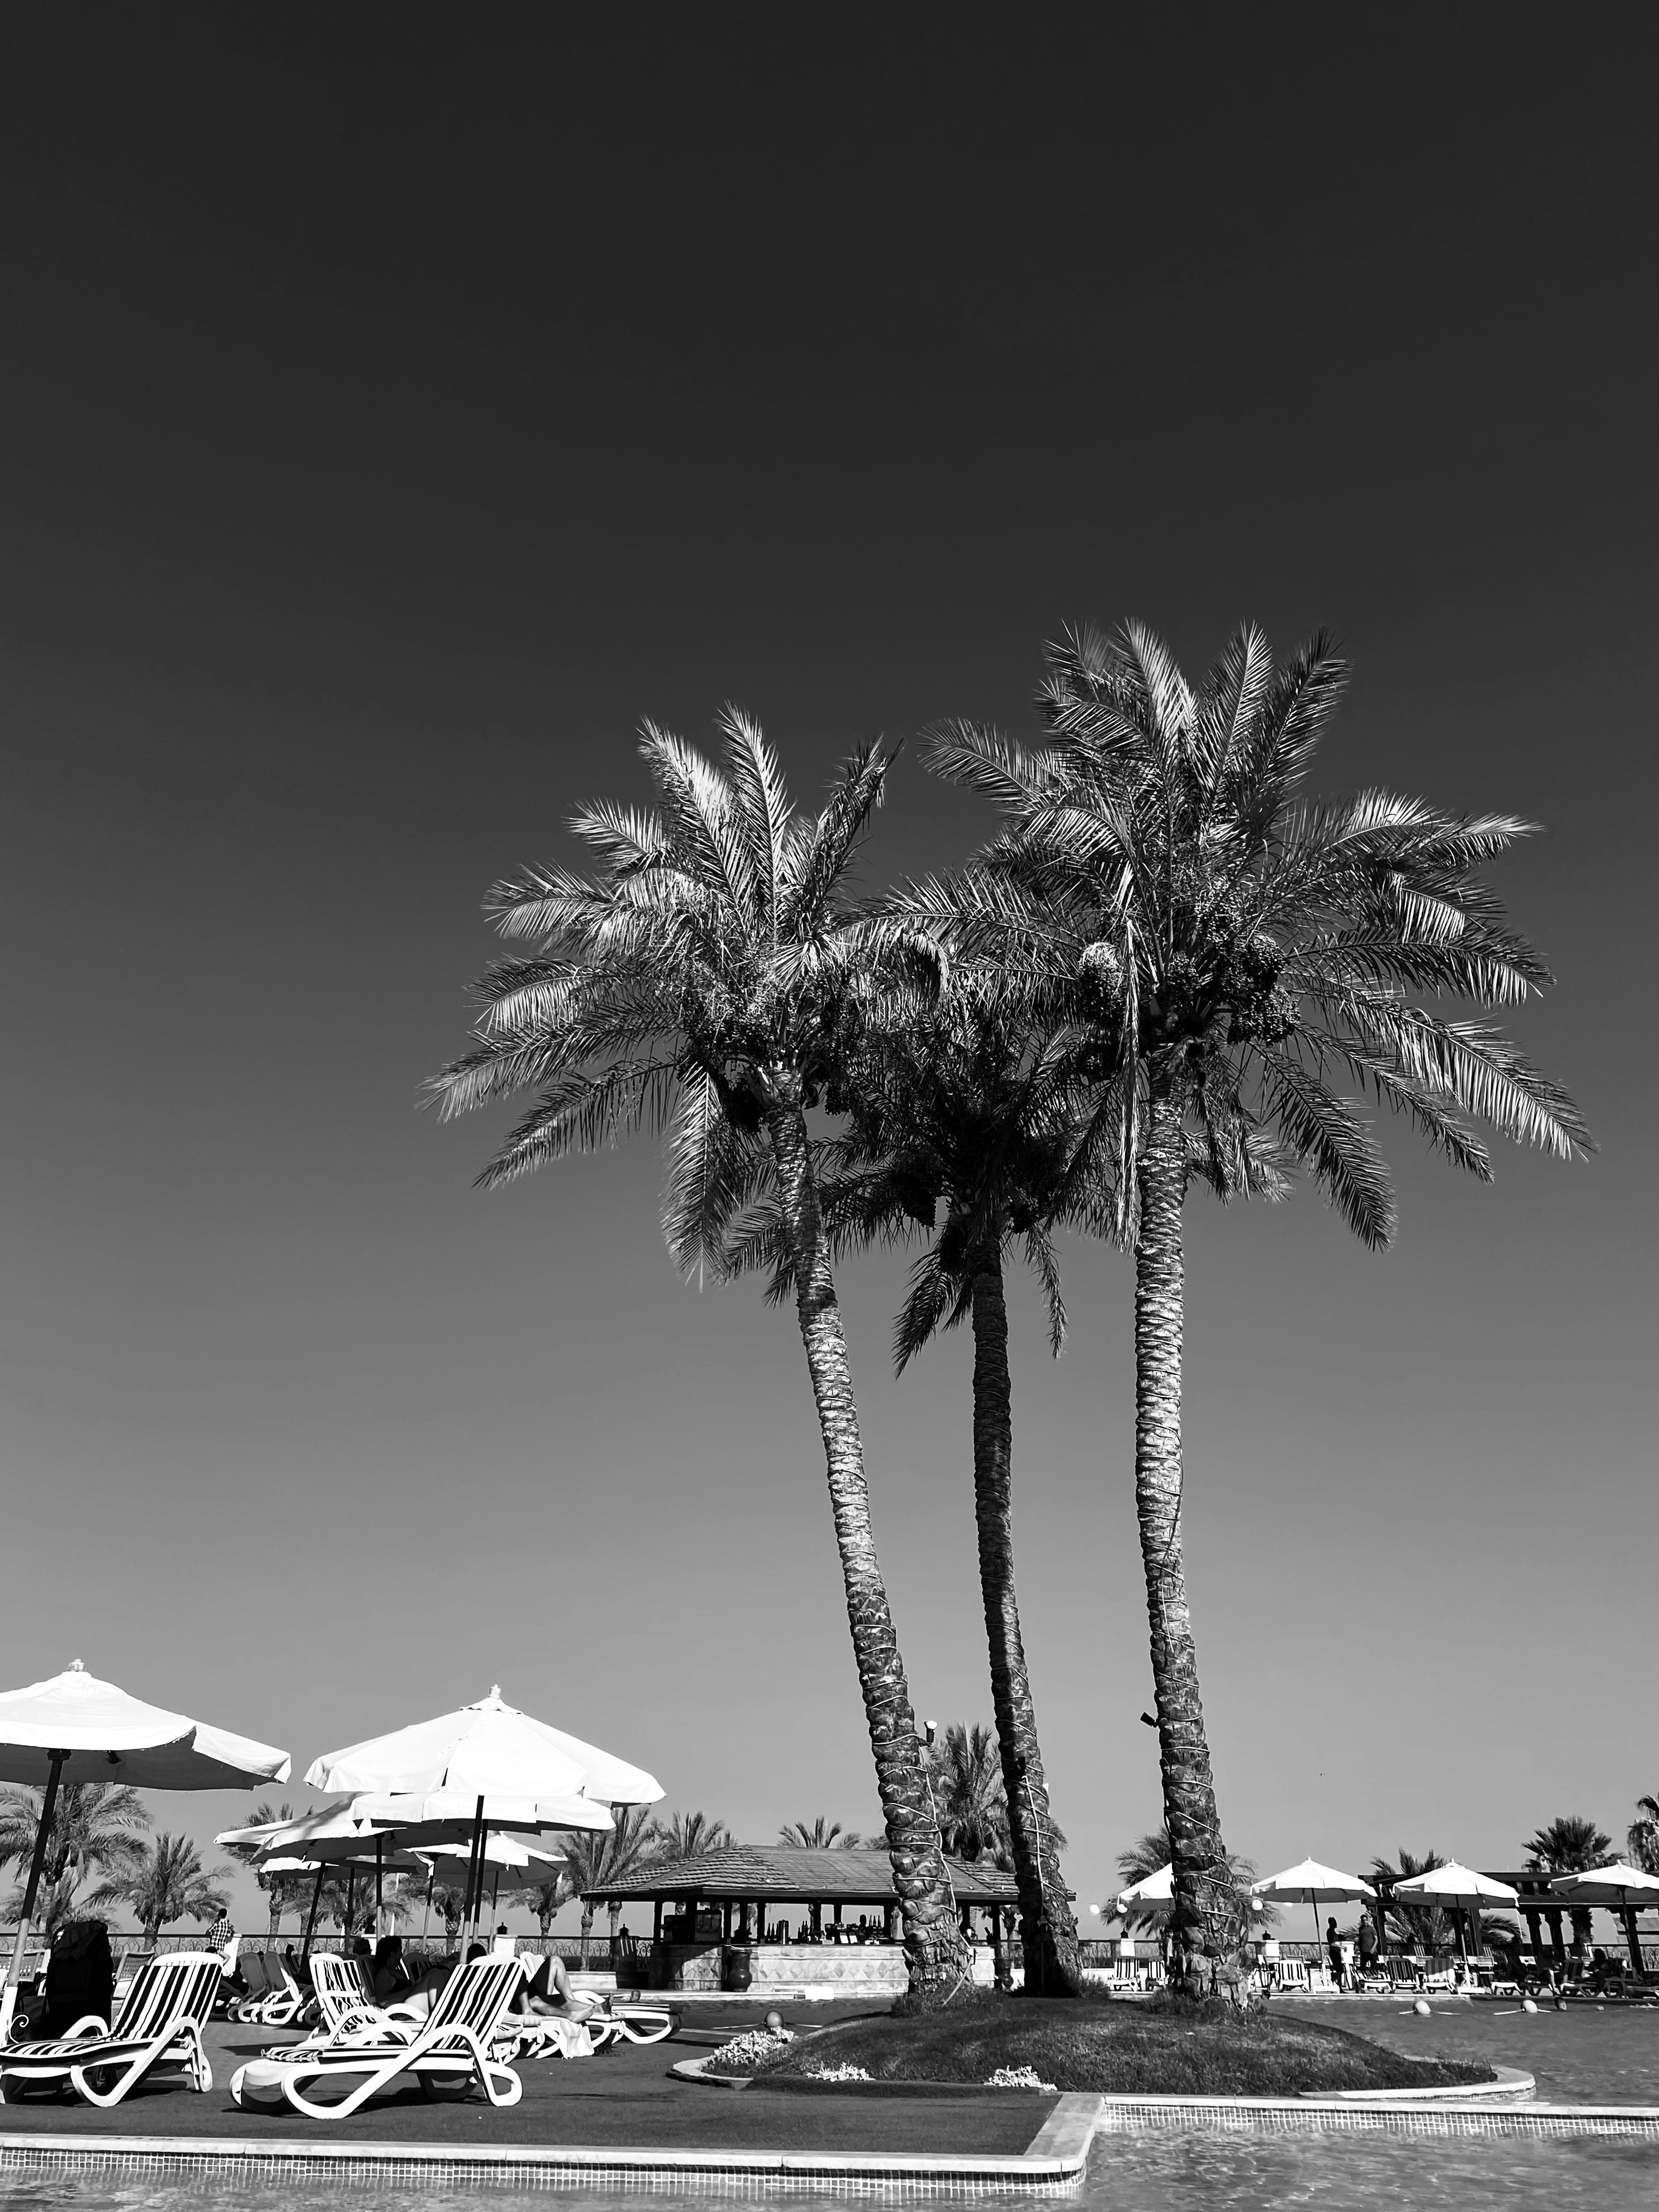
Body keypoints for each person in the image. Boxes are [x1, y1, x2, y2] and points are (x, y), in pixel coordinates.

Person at [1326, 1917, 1345, 1989]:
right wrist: (1341, 1947)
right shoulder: (1331, 1932)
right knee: (1339, 1970)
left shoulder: (1333, 1933)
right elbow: (1332, 1944)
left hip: (1336, 1952)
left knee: (1340, 1969)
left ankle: (1335, 1983)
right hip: (1334, 1952)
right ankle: (1337, 1985)